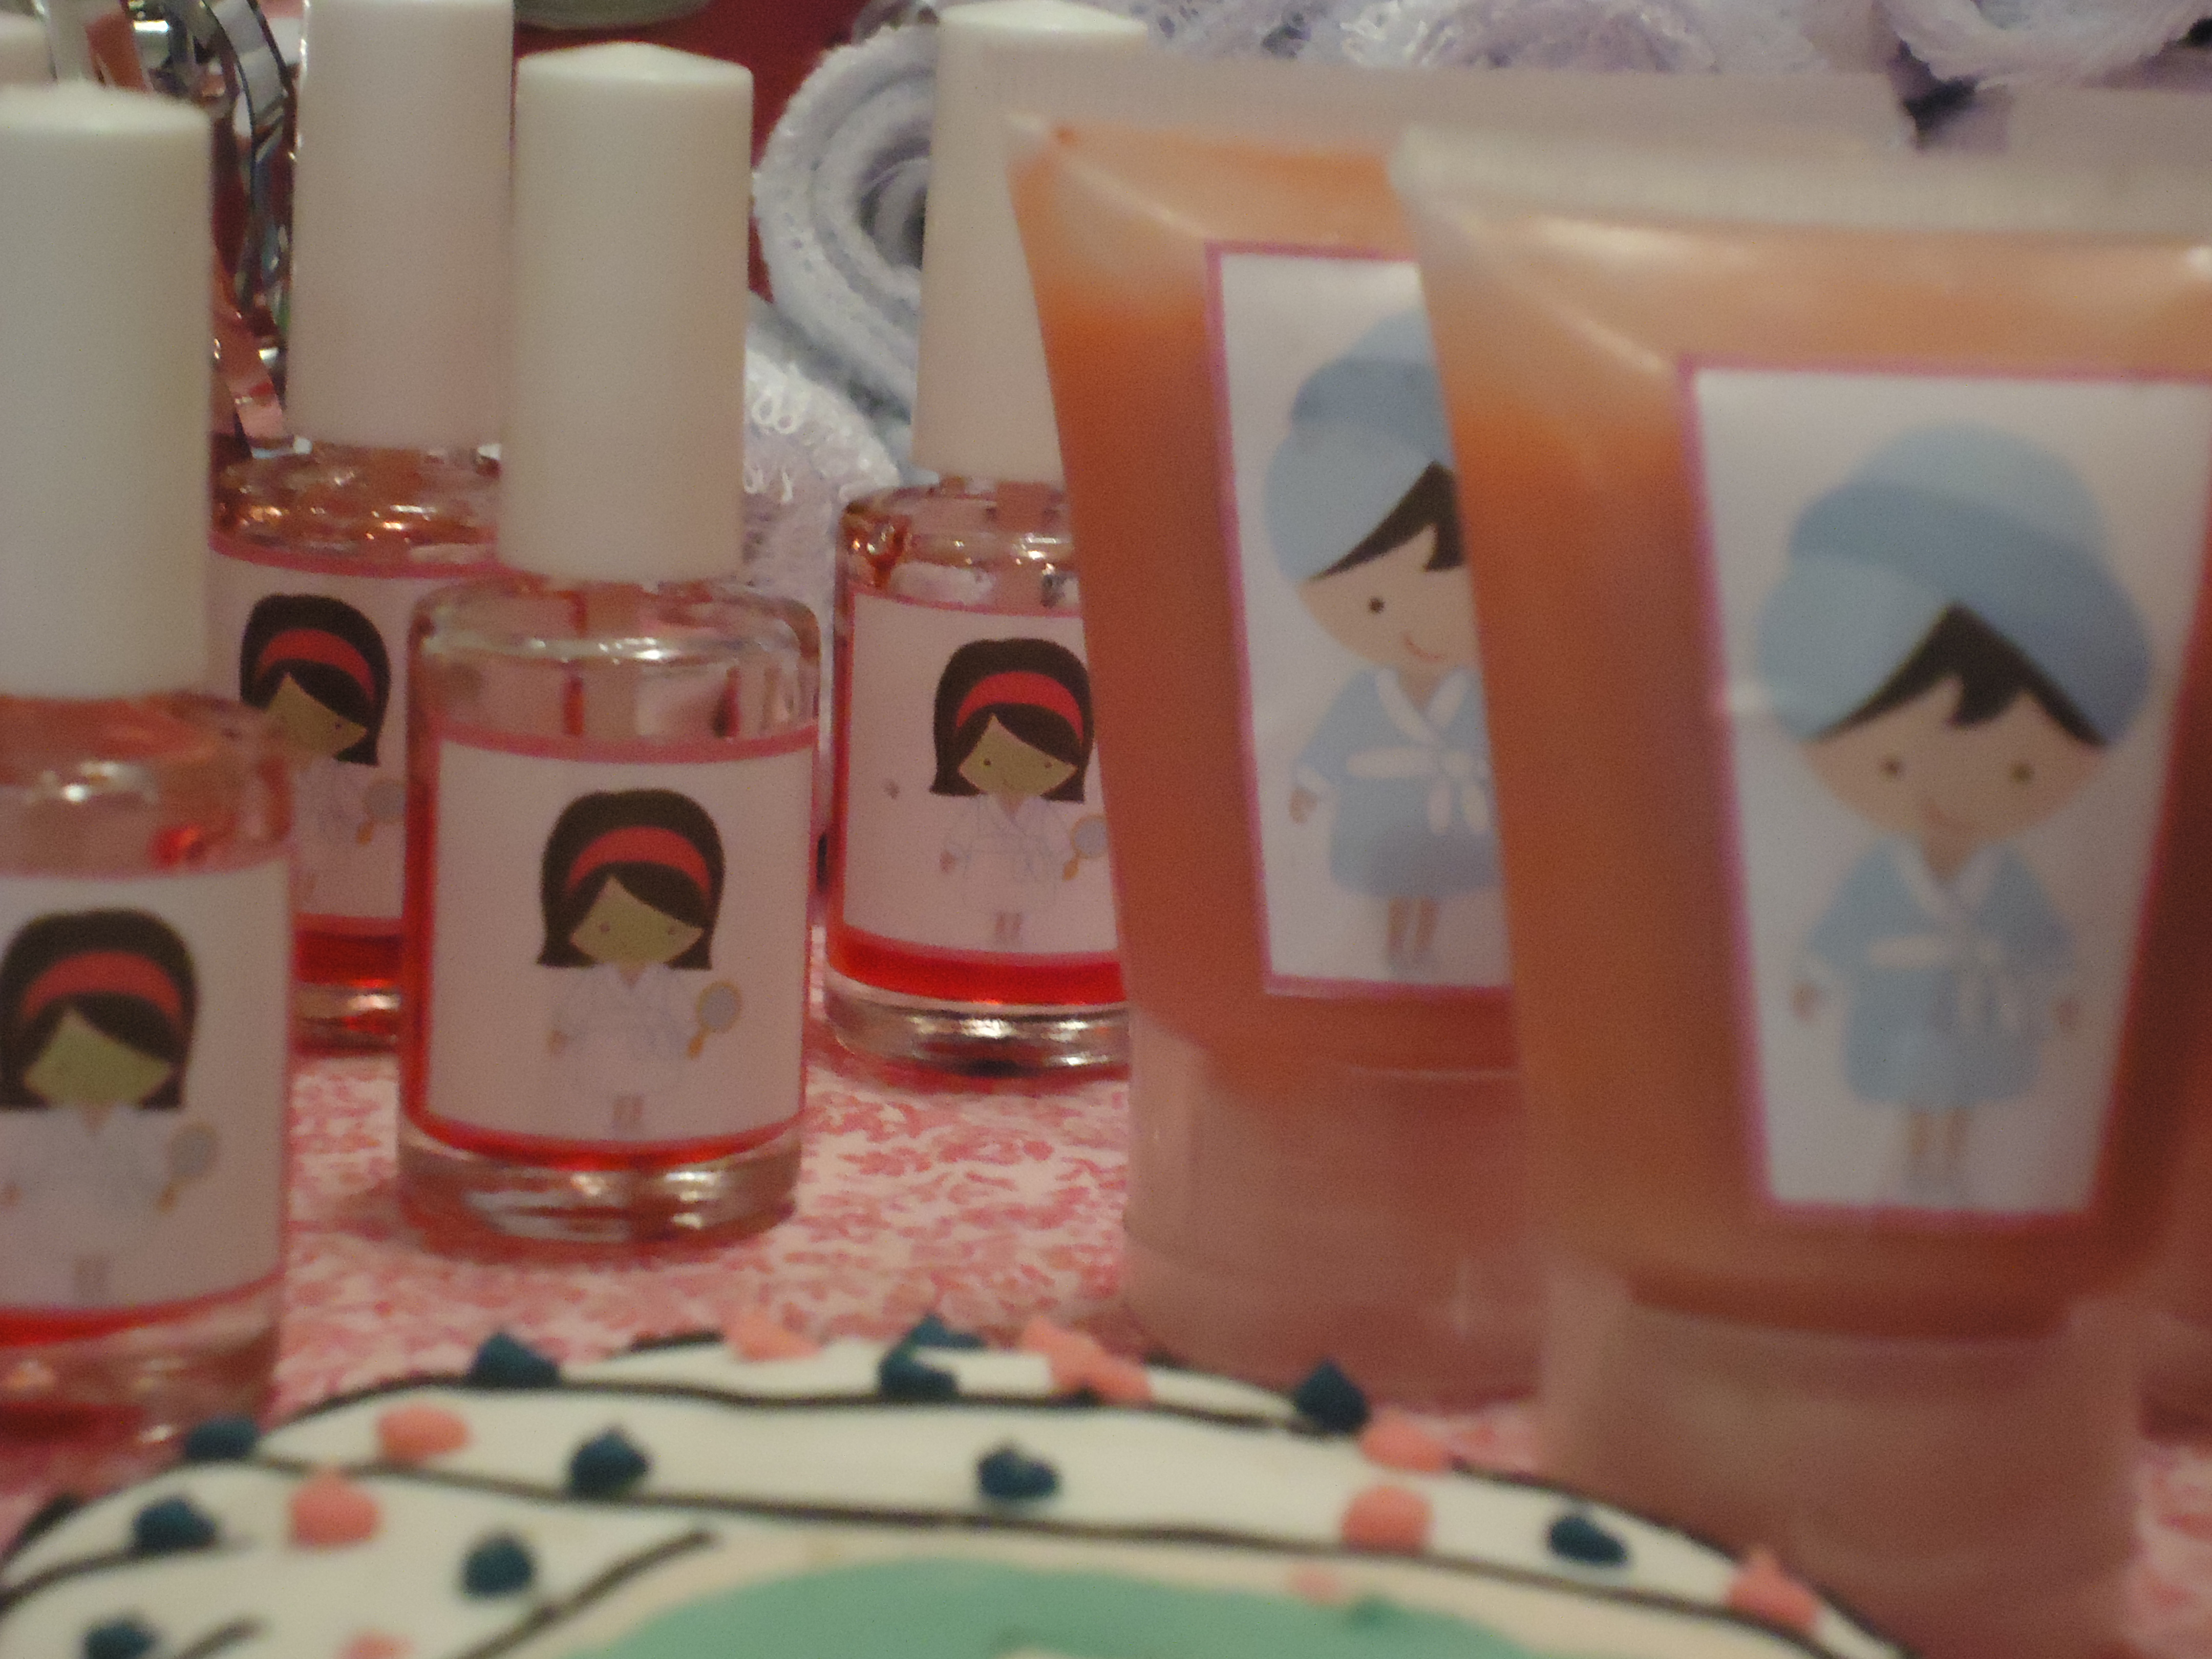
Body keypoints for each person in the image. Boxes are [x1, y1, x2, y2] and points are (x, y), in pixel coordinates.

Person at [1759, 423, 2151, 1205]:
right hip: (1900, 1002)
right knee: (1914, 1083)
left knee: (1964, 1083)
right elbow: (1845, 924)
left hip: (1978, 1009)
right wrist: (1818, 976)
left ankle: (1950, 1168)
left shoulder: (2007, 878)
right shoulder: (1882, 873)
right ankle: (1917, 1165)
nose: (1950, 794)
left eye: (2018, 771)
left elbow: (2044, 936)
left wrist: (2063, 987)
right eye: (1895, 764)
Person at [1265, 309, 1498, 976]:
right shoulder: (1370, 694)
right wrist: (1310, 784)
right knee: (1398, 884)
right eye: (1374, 603)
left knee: (1438, 885)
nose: (1416, 627)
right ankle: (1402, 949)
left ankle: (1424, 947)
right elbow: (1336, 737)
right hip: (1386, 812)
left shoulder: (1476, 694)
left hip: (1451, 813)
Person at [0, 910, 210, 1304]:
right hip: (64, 1198)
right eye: (67, 1061)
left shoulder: (129, 1124)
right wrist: (17, 1184)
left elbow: (146, 1158)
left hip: (114, 1199)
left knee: (103, 1246)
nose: (96, 1076)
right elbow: (34, 1155)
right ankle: (80, 1287)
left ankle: (96, 1285)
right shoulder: (56, 1124)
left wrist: (160, 1185)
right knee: (74, 1241)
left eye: (130, 1063)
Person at [539, 790, 727, 1137]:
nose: (635, 937)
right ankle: (619, 1118)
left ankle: (635, 1118)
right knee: (616, 1079)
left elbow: (680, 1008)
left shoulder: (662, 979)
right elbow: (578, 1005)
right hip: (607, 1040)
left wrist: (691, 1033)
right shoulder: (598, 978)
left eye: (668, 928)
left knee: (640, 1081)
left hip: (649, 1041)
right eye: (607, 926)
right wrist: (563, 1032)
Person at [930, 637, 1097, 949]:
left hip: (1028, 864)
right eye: (989, 761)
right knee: (997, 897)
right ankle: (999, 930)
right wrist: (952, 852)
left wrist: (1066, 858)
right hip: (991, 859)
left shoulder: (1040, 809)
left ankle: (1016, 931)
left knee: (1021, 900)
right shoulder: (983, 807)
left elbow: (1055, 834)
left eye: (1045, 764)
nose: (1013, 774)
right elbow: (965, 830)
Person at [239, 593, 398, 909]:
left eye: (338, 725)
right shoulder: (260, 767)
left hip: (323, 863)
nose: (311, 732)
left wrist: (375, 810)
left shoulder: (333, 773)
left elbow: (353, 805)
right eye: (293, 715)